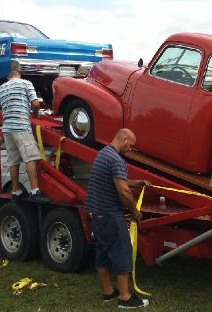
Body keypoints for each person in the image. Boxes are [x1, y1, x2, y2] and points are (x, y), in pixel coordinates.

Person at [85, 128, 150, 308]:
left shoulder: (103, 154)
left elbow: (117, 180)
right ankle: (125, 298)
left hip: (97, 214)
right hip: (110, 214)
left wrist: (137, 182)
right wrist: (135, 212)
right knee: (122, 252)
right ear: (123, 139)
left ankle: (108, 292)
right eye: (131, 145)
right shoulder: (116, 159)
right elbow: (123, 190)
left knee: (103, 252)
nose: (131, 149)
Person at [0, 60, 47, 202]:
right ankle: (35, 191)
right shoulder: (26, 84)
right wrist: (34, 114)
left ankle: (16, 191)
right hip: (21, 126)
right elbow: (35, 103)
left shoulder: (1, 88)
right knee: (30, 157)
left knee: (13, 161)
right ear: (20, 73)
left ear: (8, 76)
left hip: (7, 129)